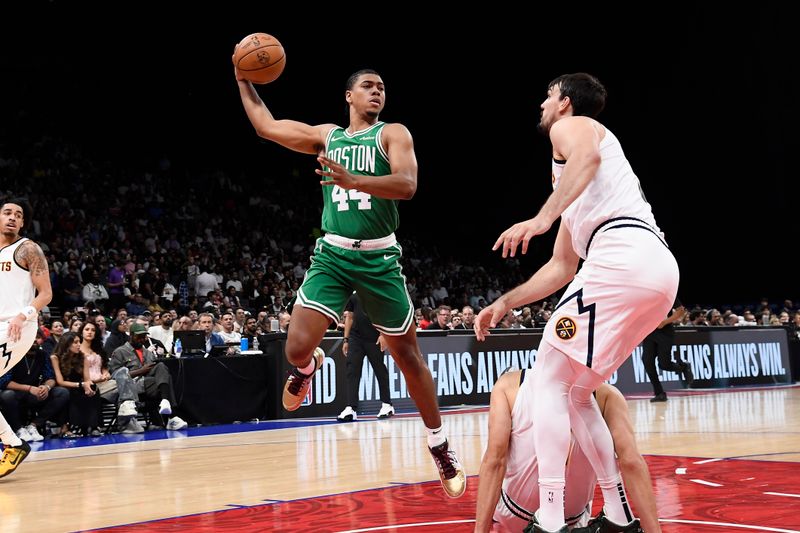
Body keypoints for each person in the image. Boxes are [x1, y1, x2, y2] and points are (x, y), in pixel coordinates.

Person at [234, 65, 465, 497]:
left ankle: (439, 445)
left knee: (408, 356)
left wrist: (354, 179)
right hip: (334, 253)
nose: (377, 92)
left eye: (382, 87)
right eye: (368, 86)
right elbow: (266, 127)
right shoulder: (329, 136)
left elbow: (408, 185)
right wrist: (240, 74)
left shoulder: (393, 133)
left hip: (379, 258)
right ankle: (308, 368)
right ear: (348, 96)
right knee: (296, 347)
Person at [475, 73, 679, 532]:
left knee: (547, 371)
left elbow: (584, 157)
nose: (542, 104)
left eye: (547, 95)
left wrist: (541, 217)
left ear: (564, 101)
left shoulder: (572, 129)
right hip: (654, 273)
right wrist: (505, 302)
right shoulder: (577, 181)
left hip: (622, 255)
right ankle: (620, 511)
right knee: (577, 389)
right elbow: (562, 267)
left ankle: (549, 517)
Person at [474, 369, 659, 533]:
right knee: (600, 456)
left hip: (514, 513)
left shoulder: (509, 384)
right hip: (573, 521)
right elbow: (631, 463)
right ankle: (617, 512)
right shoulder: (608, 395)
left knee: (493, 451)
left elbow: (494, 462)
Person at [0, 198, 53, 477]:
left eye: (18, 215)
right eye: (7, 212)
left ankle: (12, 443)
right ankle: (13, 444)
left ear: (22, 223)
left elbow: (46, 293)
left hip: (18, 326)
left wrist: (23, 314)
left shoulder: (28, 249)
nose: (12, 217)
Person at [337, 293, 394, 422]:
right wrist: (346, 339)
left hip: (374, 337)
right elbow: (349, 316)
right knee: (352, 370)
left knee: (379, 369)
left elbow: (386, 315)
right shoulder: (354, 294)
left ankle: (387, 404)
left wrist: (383, 334)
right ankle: (351, 408)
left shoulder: (377, 292)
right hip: (356, 337)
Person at [642, 297, 692, 402]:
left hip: (665, 332)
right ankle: (659, 393)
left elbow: (681, 311)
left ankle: (682, 367)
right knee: (647, 361)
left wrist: (665, 322)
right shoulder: (643, 294)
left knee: (664, 364)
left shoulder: (667, 292)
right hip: (649, 331)